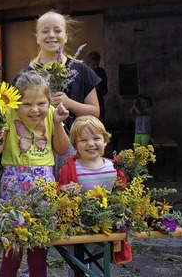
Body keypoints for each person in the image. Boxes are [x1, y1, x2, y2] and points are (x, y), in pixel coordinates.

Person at [0, 71, 70, 277]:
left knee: (39, 250)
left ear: (49, 101)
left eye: (41, 103)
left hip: (44, 188)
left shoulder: (52, 114)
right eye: (26, 104)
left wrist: (58, 123)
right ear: (16, 102)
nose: (35, 110)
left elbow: (62, 149)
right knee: (12, 249)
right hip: (13, 188)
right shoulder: (8, 113)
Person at [13, 10, 101, 178]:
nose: (51, 35)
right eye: (45, 31)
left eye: (57, 30)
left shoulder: (80, 70)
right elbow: (14, 113)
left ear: (66, 36)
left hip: (73, 145)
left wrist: (69, 103)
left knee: (69, 195)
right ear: (37, 37)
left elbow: (95, 111)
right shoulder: (26, 75)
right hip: (35, 147)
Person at [58, 115, 127, 275]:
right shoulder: (70, 168)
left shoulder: (114, 168)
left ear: (105, 141)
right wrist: (63, 190)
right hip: (79, 227)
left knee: (100, 263)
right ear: (75, 145)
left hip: (105, 226)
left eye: (96, 138)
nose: (90, 144)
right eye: (83, 140)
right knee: (78, 265)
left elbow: (122, 194)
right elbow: (59, 191)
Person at [84, 51, 108, 123]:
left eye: (97, 64)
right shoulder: (84, 72)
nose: (96, 67)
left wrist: (97, 90)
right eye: (93, 64)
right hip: (85, 103)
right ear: (88, 64)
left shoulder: (101, 72)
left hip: (99, 101)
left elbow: (105, 89)